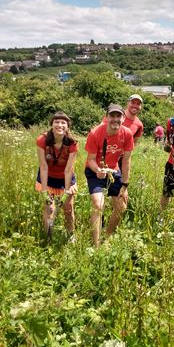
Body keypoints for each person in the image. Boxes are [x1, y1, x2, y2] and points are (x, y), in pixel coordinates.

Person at [85, 104, 134, 247]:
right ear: (106, 117)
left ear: (123, 118)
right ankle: (96, 245)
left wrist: (125, 184)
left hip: (113, 170)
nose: (115, 119)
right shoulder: (95, 133)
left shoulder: (127, 134)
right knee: (98, 204)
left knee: (122, 206)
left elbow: (126, 161)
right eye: (112, 116)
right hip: (95, 170)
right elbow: (91, 159)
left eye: (118, 116)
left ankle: (107, 235)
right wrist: (98, 170)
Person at [36, 111, 78, 240]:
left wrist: (66, 190)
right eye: (57, 122)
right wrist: (44, 191)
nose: (60, 125)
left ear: (68, 126)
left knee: (68, 208)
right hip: (47, 178)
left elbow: (68, 170)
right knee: (49, 208)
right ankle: (48, 236)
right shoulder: (42, 140)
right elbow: (43, 167)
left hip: (65, 178)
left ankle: (70, 234)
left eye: (63, 123)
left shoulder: (72, 143)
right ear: (52, 125)